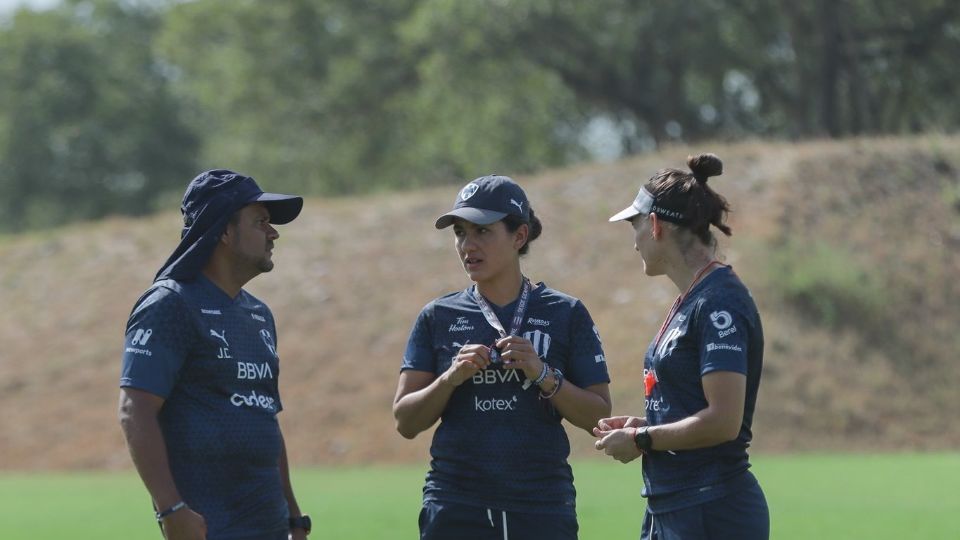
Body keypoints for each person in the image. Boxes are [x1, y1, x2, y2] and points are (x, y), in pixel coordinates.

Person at [393, 175, 613, 540]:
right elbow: (405, 421)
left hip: (541, 505)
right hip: (456, 505)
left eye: (482, 231)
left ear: (519, 236)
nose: (468, 245)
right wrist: (450, 379)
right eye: (460, 232)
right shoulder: (437, 315)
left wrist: (543, 373)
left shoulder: (566, 313)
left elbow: (598, 415)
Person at [118, 170, 313, 540]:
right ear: (223, 231)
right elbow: (134, 410)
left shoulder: (259, 315)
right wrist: (171, 510)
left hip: (269, 527)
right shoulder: (170, 304)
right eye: (261, 222)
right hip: (210, 529)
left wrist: (292, 515)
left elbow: (265, 416)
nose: (273, 233)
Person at [594, 153, 769, 539]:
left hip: (711, 509)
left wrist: (643, 438)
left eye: (634, 226)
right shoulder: (694, 296)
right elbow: (691, 406)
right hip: (674, 506)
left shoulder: (719, 301)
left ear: (655, 225)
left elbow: (723, 421)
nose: (633, 243)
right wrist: (648, 425)